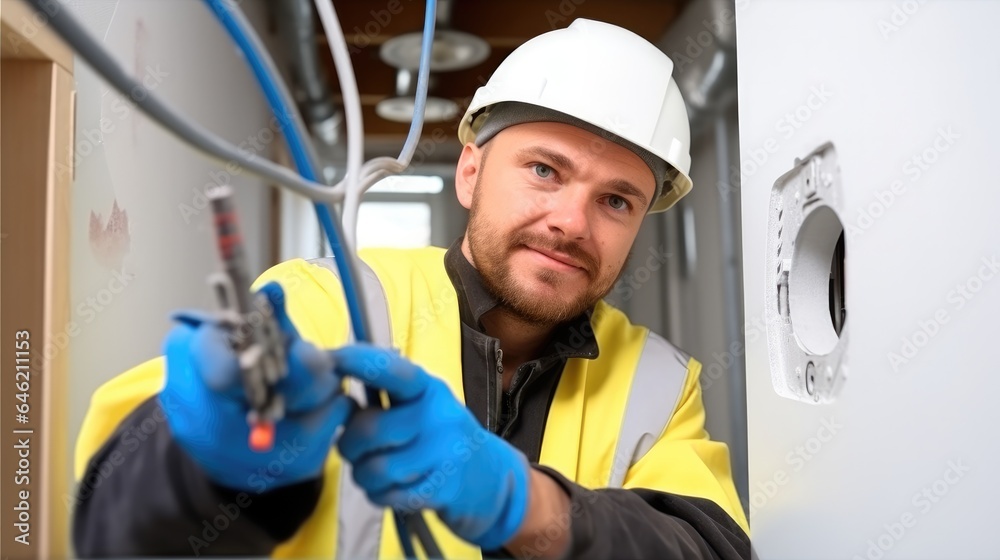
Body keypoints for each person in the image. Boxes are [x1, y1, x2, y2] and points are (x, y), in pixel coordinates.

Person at [72, 18, 750, 559]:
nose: (571, 222)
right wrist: (207, 463)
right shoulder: (329, 303)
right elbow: (115, 526)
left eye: (616, 201)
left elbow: (709, 548)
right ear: (470, 174)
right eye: (544, 170)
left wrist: (526, 505)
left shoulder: (660, 383)